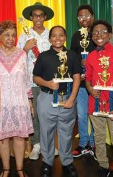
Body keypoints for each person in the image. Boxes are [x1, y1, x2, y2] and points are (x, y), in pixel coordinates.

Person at [33, 25, 81, 177]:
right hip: (47, 98)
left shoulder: (72, 55)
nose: (58, 38)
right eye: (54, 36)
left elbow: (77, 78)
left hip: (67, 98)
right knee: (46, 132)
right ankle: (47, 162)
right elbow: (35, 77)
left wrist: (72, 99)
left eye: (61, 35)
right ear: (49, 39)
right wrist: (48, 84)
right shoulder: (43, 56)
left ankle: (67, 162)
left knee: (66, 132)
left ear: (65, 38)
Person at [0, 20, 34, 177]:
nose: (10, 38)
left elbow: (26, 79)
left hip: (19, 101)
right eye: (7, 35)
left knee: (19, 137)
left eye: (13, 35)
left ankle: (20, 169)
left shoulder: (22, 54)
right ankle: (7, 169)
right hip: (1, 103)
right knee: (3, 139)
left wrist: (29, 101)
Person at [85, 20, 113, 177]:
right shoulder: (91, 56)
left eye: (103, 32)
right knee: (99, 137)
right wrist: (89, 88)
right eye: (95, 32)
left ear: (110, 34)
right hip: (95, 104)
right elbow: (88, 78)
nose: (99, 35)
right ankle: (103, 165)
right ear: (92, 36)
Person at [17, 2, 59, 160]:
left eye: (41, 15)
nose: (38, 18)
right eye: (35, 15)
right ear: (31, 17)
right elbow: (15, 59)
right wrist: (25, 49)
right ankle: (36, 145)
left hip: (48, 80)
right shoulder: (24, 36)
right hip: (31, 81)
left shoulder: (51, 34)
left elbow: (58, 56)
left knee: (49, 113)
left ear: (45, 17)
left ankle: (49, 144)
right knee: (34, 113)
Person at [70, 4, 95, 157]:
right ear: (78, 20)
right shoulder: (76, 36)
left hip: (95, 83)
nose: (84, 19)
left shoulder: (98, 33)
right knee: (81, 115)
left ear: (92, 16)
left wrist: (91, 61)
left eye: (86, 15)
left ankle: (93, 144)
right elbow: (72, 57)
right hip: (80, 83)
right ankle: (82, 143)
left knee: (94, 114)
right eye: (80, 17)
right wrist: (80, 62)